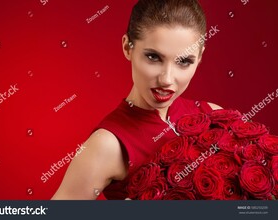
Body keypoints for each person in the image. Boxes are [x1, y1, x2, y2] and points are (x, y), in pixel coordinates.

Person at [52, 0, 222, 200]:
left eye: (184, 61)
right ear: (127, 47)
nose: (166, 79)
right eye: (153, 57)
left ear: (200, 57)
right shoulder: (108, 145)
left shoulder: (214, 116)